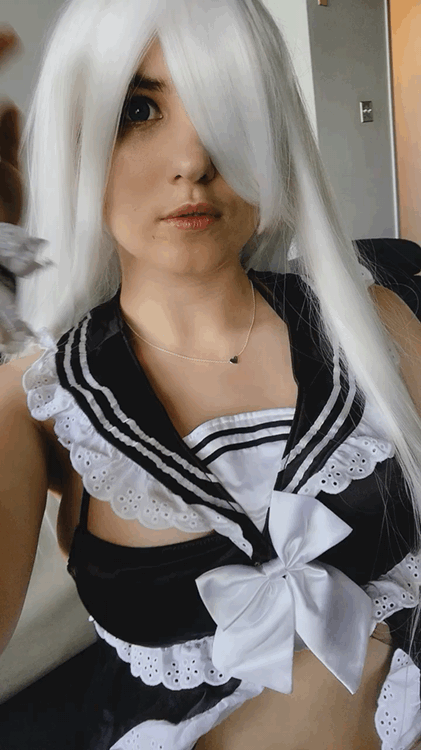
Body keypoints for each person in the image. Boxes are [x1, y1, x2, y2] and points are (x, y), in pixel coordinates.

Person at [0, 1, 421, 748]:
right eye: (138, 110)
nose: (193, 160)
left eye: (228, 107)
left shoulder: (374, 322)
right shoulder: (38, 398)